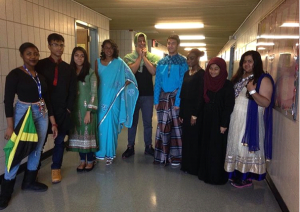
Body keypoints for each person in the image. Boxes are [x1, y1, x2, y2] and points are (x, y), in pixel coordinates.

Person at [0, 42, 58, 210]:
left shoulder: (40, 76)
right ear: (22, 55)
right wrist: (10, 126)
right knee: (16, 150)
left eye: (35, 53)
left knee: (37, 148)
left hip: (42, 112)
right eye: (29, 54)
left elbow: (47, 100)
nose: (33, 57)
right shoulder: (15, 74)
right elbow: (8, 101)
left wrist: (53, 122)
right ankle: (6, 192)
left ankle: (29, 182)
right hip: (23, 113)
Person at [224, 50, 275, 188]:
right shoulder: (239, 77)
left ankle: (246, 176)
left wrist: (252, 91)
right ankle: (235, 172)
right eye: (244, 61)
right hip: (236, 118)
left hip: (249, 121)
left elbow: (266, 102)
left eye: (250, 61)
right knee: (235, 145)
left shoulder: (262, 79)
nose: (246, 64)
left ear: (256, 63)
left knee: (244, 148)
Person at [36, 33, 77, 183]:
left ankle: (56, 169)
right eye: (55, 44)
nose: (59, 48)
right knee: (39, 142)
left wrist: (68, 109)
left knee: (59, 141)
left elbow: (73, 90)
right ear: (49, 46)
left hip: (62, 110)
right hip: (43, 111)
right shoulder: (40, 65)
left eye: (61, 45)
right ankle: (35, 170)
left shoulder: (68, 68)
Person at [94, 39, 138, 165]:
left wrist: (120, 86)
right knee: (100, 126)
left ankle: (110, 154)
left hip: (114, 100)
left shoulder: (119, 63)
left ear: (114, 50)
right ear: (102, 49)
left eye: (111, 48)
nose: (108, 50)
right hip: (101, 97)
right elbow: (95, 80)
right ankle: (99, 152)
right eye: (106, 47)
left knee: (111, 127)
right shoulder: (97, 62)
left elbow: (131, 77)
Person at [122, 32, 160, 158]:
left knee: (148, 122)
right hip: (133, 95)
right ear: (135, 42)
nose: (142, 43)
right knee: (132, 122)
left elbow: (153, 71)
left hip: (148, 94)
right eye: (139, 40)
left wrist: (144, 57)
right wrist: (139, 57)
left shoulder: (153, 57)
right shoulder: (128, 57)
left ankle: (148, 146)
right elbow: (131, 71)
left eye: (144, 41)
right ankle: (130, 146)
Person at [198, 57, 235, 185]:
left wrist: (224, 124)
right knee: (206, 146)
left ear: (222, 70)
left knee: (217, 148)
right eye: (211, 69)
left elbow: (228, 106)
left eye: (216, 69)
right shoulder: (206, 82)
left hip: (219, 121)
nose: (213, 72)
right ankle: (205, 173)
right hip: (206, 119)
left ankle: (216, 176)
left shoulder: (227, 85)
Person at [153, 35, 189, 167]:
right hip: (162, 99)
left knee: (176, 128)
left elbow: (182, 83)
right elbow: (157, 82)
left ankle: (176, 157)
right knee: (163, 128)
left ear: (177, 45)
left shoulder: (182, 62)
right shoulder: (161, 62)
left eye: (173, 43)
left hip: (175, 99)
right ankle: (162, 156)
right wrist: (156, 101)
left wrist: (178, 102)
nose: (170, 46)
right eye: (168, 43)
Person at [67, 47, 98, 172]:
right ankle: (81, 161)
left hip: (87, 110)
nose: (79, 58)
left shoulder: (90, 73)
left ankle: (90, 161)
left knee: (87, 135)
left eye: (82, 56)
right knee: (78, 135)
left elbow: (94, 93)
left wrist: (89, 112)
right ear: (73, 57)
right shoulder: (69, 72)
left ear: (85, 58)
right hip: (74, 110)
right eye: (76, 55)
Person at [179, 49, 205, 175]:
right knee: (187, 137)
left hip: (196, 111)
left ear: (198, 59)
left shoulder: (202, 74)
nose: (189, 61)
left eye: (192, 58)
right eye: (188, 58)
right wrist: (182, 113)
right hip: (186, 109)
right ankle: (186, 165)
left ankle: (194, 167)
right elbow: (183, 94)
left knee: (194, 138)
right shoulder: (186, 73)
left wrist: (195, 114)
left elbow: (200, 95)